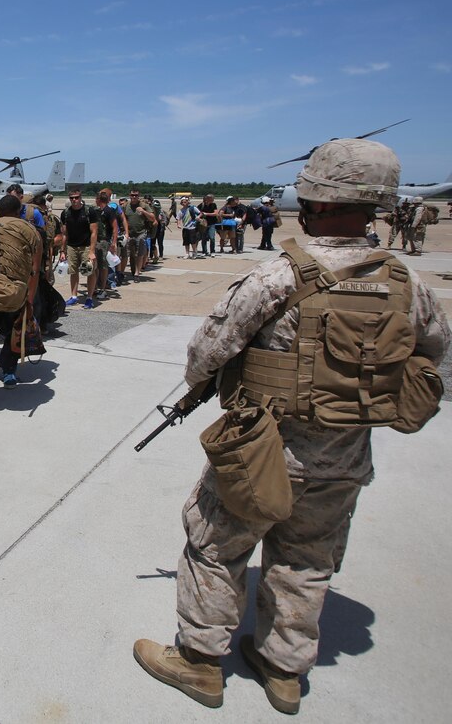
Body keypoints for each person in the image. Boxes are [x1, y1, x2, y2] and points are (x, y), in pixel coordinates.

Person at [132, 139, 451, 714]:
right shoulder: (407, 285)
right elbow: (436, 361)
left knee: (213, 545)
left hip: (262, 450)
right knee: (307, 559)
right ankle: (283, 669)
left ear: (316, 203)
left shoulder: (278, 276)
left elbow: (208, 351)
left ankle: (200, 663)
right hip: (346, 457)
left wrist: (209, 380)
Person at [0, 195, 42, 387]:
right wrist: (29, 299)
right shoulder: (31, 232)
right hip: (17, 292)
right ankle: (9, 371)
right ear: (19, 212)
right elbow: (35, 269)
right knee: (12, 332)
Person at [58, 188, 99, 307]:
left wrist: (92, 251)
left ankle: (89, 297)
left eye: (76, 197)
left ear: (81, 198)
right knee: (73, 272)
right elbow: (65, 234)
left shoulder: (89, 211)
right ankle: (74, 296)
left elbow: (94, 232)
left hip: (86, 246)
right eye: (72, 198)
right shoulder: (65, 213)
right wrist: (62, 250)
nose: (74, 200)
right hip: (72, 246)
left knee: (89, 271)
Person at [123, 189, 157, 280]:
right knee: (130, 254)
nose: (134, 197)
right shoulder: (126, 206)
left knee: (139, 253)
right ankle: (133, 270)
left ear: (139, 196)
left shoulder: (144, 205)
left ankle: (137, 273)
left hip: (141, 233)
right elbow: (122, 218)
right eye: (132, 195)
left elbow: (153, 218)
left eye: (136, 195)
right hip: (129, 233)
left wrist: (144, 211)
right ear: (129, 195)